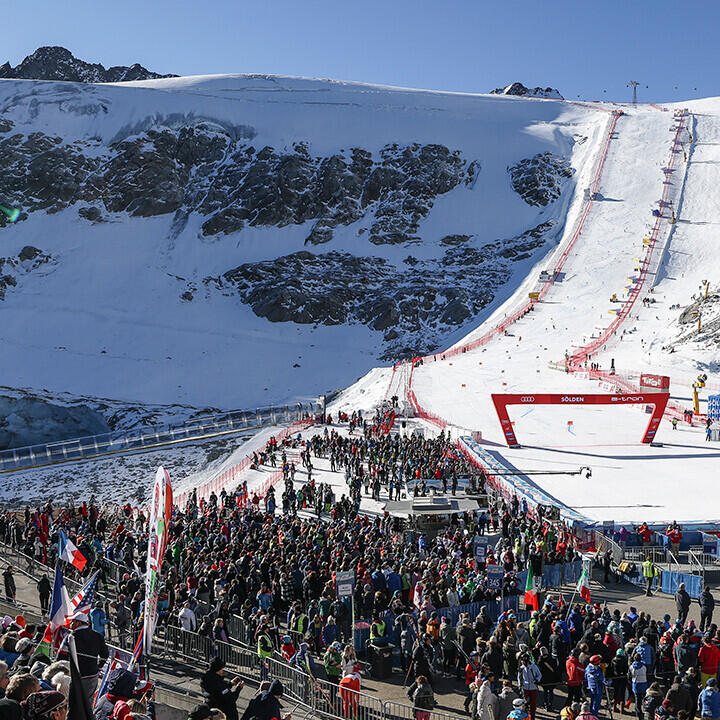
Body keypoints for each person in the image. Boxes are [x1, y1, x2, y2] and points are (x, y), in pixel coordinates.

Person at [57, 610, 108, 704]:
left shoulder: (70, 637)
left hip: (74, 675)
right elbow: (105, 655)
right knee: (87, 704)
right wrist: (98, 667)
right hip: (92, 675)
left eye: (73, 621)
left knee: (72, 703)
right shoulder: (98, 636)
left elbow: (61, 657)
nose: (71, 623)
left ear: (79, 623)